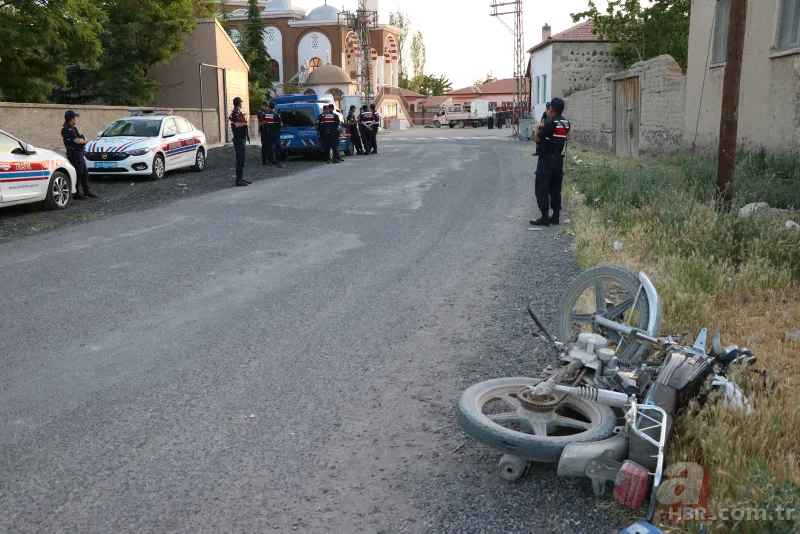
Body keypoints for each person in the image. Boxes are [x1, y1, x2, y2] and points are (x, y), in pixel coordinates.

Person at [530, 98, 570, 227]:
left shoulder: (551, 123)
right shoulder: (566, 123)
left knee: (542, 187)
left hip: (547, 158)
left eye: (549, 108)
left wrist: (537, 128)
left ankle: (545, 216)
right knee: (555, 188)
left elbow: (537, 139)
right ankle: (556, 216)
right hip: (558, 159)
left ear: (551, 108)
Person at [61, 110, 97, 200]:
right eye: (74, 118)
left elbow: (79, 138)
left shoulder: (73, 128)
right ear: (71, 118)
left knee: (85, 173)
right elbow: (77, 140)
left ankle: (86, 191)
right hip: (74, 154)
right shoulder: (66, 129)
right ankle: (76, 194)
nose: (75, 119)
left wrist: (82, 139)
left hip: (79, 154)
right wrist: (84, 140)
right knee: (78, 174)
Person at [229, 96, 250, 186]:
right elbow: (237, 124)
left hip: (241, 138)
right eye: (241, 102)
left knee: (242, 159)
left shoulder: (238, 112)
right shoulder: (235, 113)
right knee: (240, 159)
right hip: (238, 139)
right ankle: (238, 180)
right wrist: (245, 123)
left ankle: (241, 178)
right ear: (239, 103)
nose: (242, 104)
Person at [260, 101, 284, 168]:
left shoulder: (265, 115)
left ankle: (270, 161)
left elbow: (263, 122)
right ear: (275, 107)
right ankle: (278, 162)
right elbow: (281, 124)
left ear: (269, 107)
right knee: (277, 148)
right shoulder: (276, 115)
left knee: (269, 148)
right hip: (276, 133)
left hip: (269, 133)